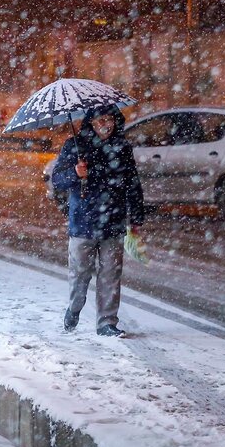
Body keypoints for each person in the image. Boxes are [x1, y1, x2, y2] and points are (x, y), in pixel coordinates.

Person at [50, 105, 145, 337]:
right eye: (101, 119)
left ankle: (106, 323)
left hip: (114, 220)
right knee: (80, 273)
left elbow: (132, 183)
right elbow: (58, 180)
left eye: (110, 119)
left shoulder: (122, 148)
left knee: (111, 274)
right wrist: (75, 173)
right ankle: (74, 308)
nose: (106, 124)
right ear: (91, 122)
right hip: (83, 222)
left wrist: (136, 216)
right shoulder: (74, 146)